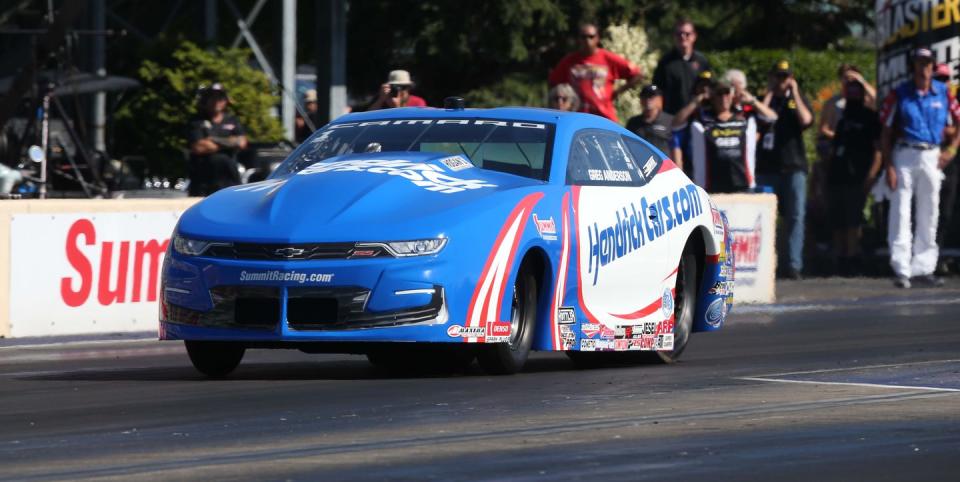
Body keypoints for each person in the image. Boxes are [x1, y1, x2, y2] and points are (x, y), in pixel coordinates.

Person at [880, 48, 960, 288]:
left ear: (933, 66)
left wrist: (952, 150)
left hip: (932, 154)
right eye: (919, 63)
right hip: (905, 152)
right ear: (913, 65)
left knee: (930, 211)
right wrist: (889, 165)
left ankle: (924, 267)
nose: (923, 67)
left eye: (927, 63)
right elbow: (885, 130)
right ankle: (901, 267)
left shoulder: (944, 93)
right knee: (901, 211)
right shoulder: (899, 93)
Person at [757, 59, 814, 280]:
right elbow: (759, 118)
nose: (781, 82)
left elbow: (806, 119)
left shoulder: (796, 100)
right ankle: (767, 264)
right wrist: (769, 94)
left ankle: (794, 265)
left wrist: (795, 93)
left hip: (794, 166)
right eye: (778, 77)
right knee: (766, 218)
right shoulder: (766, 100)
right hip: (768, 167)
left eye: (785, 77)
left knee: (795, 216)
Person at [826, 79, 883, 276]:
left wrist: (871, 175)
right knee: (838, 219)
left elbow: (878, 150)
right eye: (849, 94)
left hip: (858, 175)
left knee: (852, 220)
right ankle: (840, 258)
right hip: (837, 174)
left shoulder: (871, 117)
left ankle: (852, 258)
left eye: (856, 94)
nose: (852, 98)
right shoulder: (843, 119)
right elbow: (834, 149)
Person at [672, 81, 757, 193]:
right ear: (712, 97)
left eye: (727, 93)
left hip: (742, 183)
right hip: (710, 185)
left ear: (732, 96)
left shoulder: (744, 116)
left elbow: (772, 117)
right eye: (719, 94)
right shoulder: (701, 118)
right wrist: (696, 101)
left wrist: (751, 100)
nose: (723, 97)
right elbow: (675, 124)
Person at [548, 22, 643, 122]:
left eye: (591, 36)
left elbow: (637, 75)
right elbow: (553, 83)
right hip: (576, 117)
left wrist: (616, 92)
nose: (587, 40)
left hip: (604, 117)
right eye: (583, 37)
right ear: (578, 39)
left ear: (597, 38)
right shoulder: (569, 61)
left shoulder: (608, 58)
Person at [186, 83, 248, 197]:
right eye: (212, 98)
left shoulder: (232, 120)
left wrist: (214, 140)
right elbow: (198, 147)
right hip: (203, 180)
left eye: (220, 98)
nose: (216, 101)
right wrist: (230, 142)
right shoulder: (197, 121)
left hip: (229, 179)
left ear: (225, 101)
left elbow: (242, 142)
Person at [653, 17, 712, 116]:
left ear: (694, 36)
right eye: (679, 34)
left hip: (697, 117)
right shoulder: (665, 62)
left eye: (687, 34)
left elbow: (709, 88)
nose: (683, 37)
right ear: (674, 37)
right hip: (672, 118)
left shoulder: (702, 61)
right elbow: (657, 93)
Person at [625, 84, 672, 154]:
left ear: (660, 99)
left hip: (665, 163)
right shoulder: (633, 123)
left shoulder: (670, 121)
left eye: (652, 96)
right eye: (645, 97)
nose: (648, 100)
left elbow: (677, 147)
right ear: (640, 100)